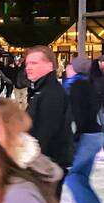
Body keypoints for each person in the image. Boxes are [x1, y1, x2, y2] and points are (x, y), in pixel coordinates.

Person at [63, 55, 104, 203]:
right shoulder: (88, 84)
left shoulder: (77, 86)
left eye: (69, 66)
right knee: (81, 176)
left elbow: (78, 114)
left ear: (75, 68)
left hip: (87, 135)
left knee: (72, 175)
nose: (66, 68)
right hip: (95, 134)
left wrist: (75, 137)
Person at [24, 46, 73, 178]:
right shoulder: (40, 90)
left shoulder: (51, 93)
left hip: (47, 165)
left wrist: (31, 161)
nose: (28, 67)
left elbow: (47, 131)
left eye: (34, 63)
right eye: (27, 63)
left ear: (50, 65)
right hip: (43, 163)